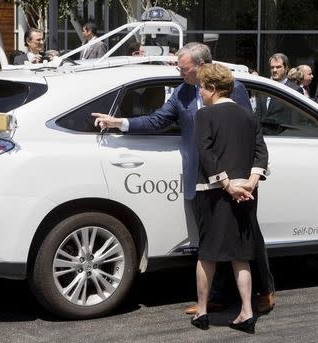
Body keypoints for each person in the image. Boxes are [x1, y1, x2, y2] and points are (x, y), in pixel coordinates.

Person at [92, 42, 275, 314]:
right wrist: (120, 123)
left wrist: (249, 176)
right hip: (201, 177)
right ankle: (216, 297)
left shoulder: (233, 88)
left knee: (246, 236)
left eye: (184, 69)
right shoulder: (183, 93)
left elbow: (247, 131)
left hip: (235, 178)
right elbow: (157, 121)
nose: (180, 74)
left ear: (202, 68)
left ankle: (265, 290)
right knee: (211, 238)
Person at [190, 63, 268, 334]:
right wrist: (250, 182)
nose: (199, 91)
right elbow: (261, 152)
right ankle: (247, 313)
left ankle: (202, 311)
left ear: (212, 88)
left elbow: (205, 151)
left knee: (208, 254)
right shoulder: (248, 116)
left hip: (214, 193)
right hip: (247, 193)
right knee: (241, 255)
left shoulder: (204, 115)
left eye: (201, 86)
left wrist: (226, 183)